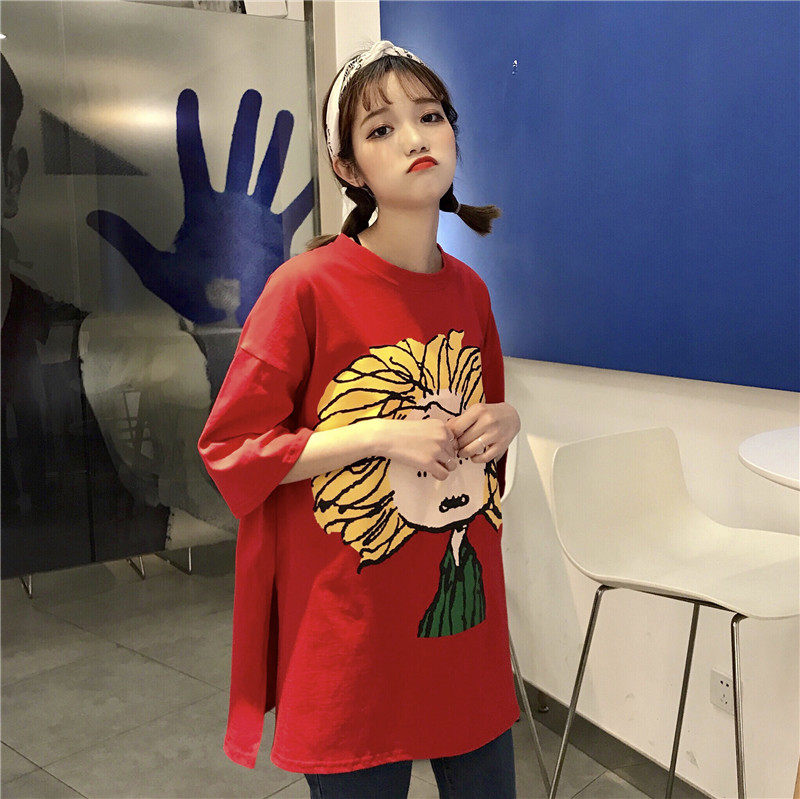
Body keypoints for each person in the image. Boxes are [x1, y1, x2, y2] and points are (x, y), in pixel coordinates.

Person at [197, 40, 522, 798]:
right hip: (352, 636)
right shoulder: (305, 290)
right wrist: (378, 434)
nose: (415, 138)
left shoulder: (469, 291)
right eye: (381, 128)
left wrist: (504, 422)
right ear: (348, 167)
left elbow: (481, 460)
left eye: (430, 116)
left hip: (459, 620)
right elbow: (232, 448)